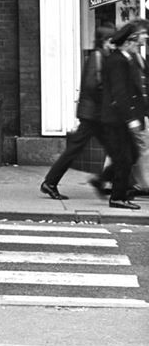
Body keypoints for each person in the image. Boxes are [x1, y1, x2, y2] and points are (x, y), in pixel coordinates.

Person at [40, 25, 115, 200]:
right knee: (75, 150)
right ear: (105, 41)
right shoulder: (97, 56)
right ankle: (50, 183)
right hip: (92, 116)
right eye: (112, 42)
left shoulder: (102, 56)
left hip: (95, 115)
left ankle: (104, 181)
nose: (114, 45)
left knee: (114, 150)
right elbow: (93, 86)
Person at [97, 20, 148, 209]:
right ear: (128, 42)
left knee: (132, 155)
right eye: (136, 43)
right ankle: (118, 197)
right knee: (124, 158)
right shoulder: (117, 61)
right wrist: (131, 119)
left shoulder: (128, 58)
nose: (139, 46)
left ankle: (116, 187)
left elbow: (136, 90)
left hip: (124, 118)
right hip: (116, 119)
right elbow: (120, 94)